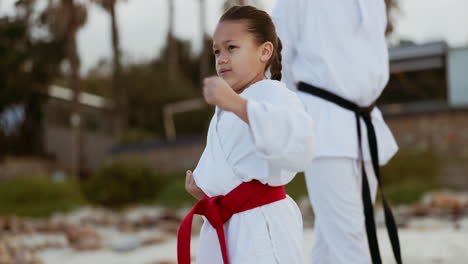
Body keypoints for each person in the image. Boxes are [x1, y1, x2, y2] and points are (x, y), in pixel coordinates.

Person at [177, 5, 315, 264]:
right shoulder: (227, 107)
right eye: (217, 51)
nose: (221, 58)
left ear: (264, 51)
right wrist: (204, 192)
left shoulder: (274, 96)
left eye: (232, 48)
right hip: (226, 225)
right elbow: (231, 170)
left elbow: (300, 149)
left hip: (261, 227)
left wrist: (238, 106)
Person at [272, 0, 402, 263]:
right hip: (322, 124)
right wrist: (292, 118)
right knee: (348, 237)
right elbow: (277, 59)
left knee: (330, 240)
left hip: (365, 124)